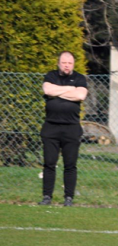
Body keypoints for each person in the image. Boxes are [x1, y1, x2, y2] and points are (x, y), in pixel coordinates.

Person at [39, 51, 88, 207]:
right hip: (51, 127)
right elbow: (48, 91)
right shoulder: (51, 76)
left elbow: (80, 96)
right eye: (64, 63)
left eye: (70, 63)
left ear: (73, 64)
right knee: (49, 163)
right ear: (58, 63)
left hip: (71, 128)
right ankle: (47, 196)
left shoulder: (80, 78)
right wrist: (69, 89)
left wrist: (58, 92)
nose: (67, 66)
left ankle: (68, 198)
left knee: (70, 165)